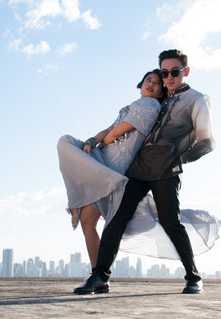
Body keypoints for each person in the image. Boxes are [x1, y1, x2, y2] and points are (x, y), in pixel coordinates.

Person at [74, 49, 215, 295]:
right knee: (115, 220)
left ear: (186, 72)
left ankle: (193, 276)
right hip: (138, 170)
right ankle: (100, 277)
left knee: (171, 222)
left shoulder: (196, 99)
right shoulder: (158, 100)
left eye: (175, 72)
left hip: (166, 171)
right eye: (164, 73)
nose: (169, 77)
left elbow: (207, 141)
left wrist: (182, 157)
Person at [57, 69, 166, 268]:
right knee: (87, 223)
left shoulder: (151, 105)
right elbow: (107, 130)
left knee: (88, 222)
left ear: (161, 92)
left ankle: (98, 273)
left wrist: (104, 141)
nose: (151, 83)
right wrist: (92, 140)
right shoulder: (129, 107)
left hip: (112, 168)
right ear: (140, 85)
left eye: (157, 83)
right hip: (103, 160)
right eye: (148, 80)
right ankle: (98, 274)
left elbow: (114, 133)